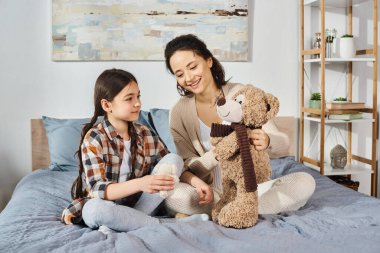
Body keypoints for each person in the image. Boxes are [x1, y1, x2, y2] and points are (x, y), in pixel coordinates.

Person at [164, 34, 316, 215]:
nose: (188, 78)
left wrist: (267, 140)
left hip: (252, 190)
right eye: (179, 74)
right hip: (212, 193)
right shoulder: (178, 112)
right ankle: (238, 212)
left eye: (193, 67)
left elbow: (283, 144)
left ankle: (230, 211)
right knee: (171, 195)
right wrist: (218, 154)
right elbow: (188, 166)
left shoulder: (242, 93)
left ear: (209, 61)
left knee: (306, 181)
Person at [61, 69, 209, 234]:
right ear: (106, 105)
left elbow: (172, 167)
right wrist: (141, 183)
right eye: (129, 98)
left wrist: (196, 182)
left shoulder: (145, 133)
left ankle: (128, 222)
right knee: (94, 209)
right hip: (107, 207)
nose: (138, 103)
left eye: (138, 96)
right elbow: (97, 189)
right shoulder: (95, 138)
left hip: (142, 205)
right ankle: (166, 224)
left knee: (174, 159)